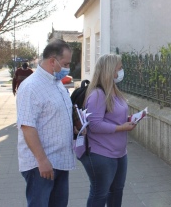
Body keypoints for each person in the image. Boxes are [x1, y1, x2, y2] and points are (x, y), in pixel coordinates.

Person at [16, 39, 75, 207]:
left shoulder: (56, 83)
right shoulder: (31, 87)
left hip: (60, 160)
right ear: (52, 61)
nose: (67, 68)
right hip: (41, 165)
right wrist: (42, 160)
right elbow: (27, 127)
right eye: (65, 63)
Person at [79, 54, 136, 207]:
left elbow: (113, 116)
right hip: (101, 153)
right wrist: (121, 127)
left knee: (117, 191)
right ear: (110, 70)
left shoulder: (114, 91)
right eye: (120, 68)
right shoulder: (98, 94)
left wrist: (128, 120)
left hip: (119, 152)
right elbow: (95, 125)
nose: (122, 71)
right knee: (100, 194)